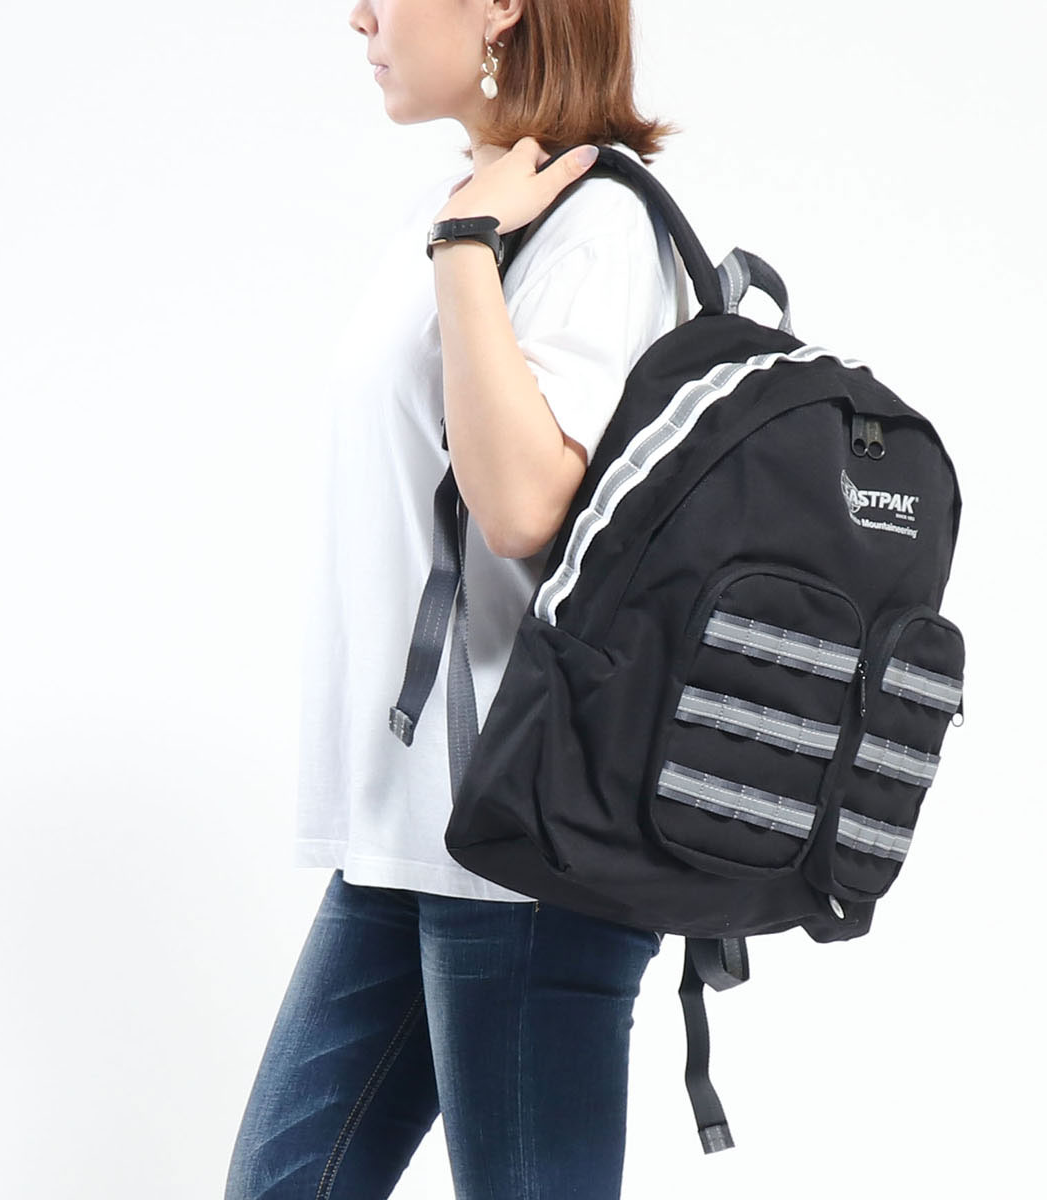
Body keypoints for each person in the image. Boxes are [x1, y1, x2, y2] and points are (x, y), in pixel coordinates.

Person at [223, 2, 686, 1197]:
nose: (360, 16)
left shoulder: (591, 225)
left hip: (525, 848)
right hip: (410, 835)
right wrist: (464, 233)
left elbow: (522, 508)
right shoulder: (465, 208)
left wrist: (469, 248)